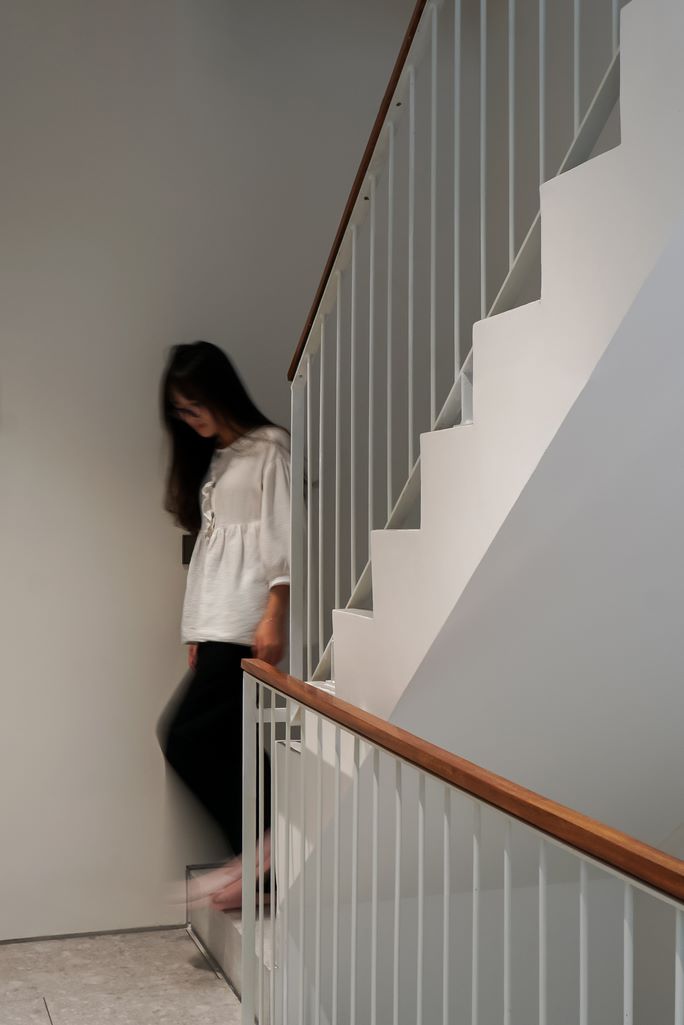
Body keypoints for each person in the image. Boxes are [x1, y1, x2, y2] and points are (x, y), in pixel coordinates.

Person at [158, 341, 289, 911]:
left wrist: (275, 614)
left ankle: (262, 851)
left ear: (218, 393)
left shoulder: (270, 448)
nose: (189, 419)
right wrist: (196, 629)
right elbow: (211, 552)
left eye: (194, 406)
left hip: (245, 623)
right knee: (227, 742)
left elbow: (281, 537)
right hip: (217, 624)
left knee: (184, 737)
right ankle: (261, 859)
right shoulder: (218, 459)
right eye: (180, 412)